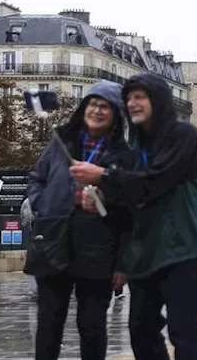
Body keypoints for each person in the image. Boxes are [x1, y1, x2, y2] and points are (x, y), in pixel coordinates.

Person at [71, 72, 197, 360]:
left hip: (185, 247)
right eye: (128, 98)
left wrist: (103, 176)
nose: (132, 103)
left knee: (183, 330)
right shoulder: (137, 146)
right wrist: (104, 198)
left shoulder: (183, 135)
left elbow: (155, 181)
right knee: (141, 328)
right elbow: (133, 195)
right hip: (148, 251)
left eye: (139, 97)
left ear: (158, 100)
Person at [25, 82, 132, 360]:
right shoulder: (62, 141)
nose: (96, 110)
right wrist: (46, 206)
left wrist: (104, 198)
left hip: (98, 248)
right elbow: (37, 180)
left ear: (116, 114)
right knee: (48, 322)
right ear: (83, 108)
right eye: (92, 104)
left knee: (92, 325)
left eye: (105, 106)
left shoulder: (123, 156)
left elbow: (131, 213)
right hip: (53, 239)